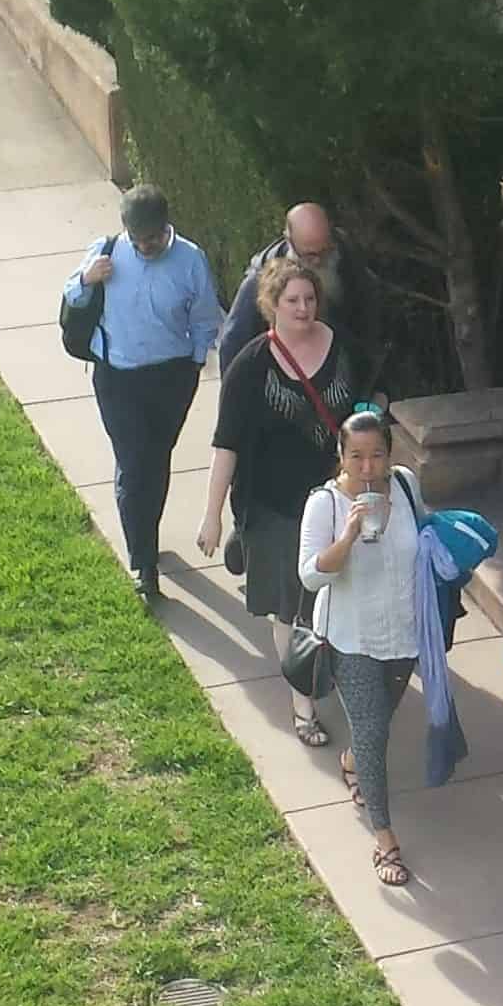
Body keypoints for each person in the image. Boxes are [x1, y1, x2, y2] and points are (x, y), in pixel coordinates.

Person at [195, 255, 350, 724]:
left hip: (335, 500)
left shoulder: (342, 348)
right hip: (273, 507)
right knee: (290, 610)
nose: (303, 308)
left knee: (334, 598)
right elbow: (226, 444)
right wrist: (211, 514)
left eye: (310, 299)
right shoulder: (251, 366)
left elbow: (364, 407)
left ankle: (338, 676)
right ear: (272, 305)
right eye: (292, 300)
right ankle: (302, 703)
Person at [64, 185, 224, 608]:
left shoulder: (190, 260)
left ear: (166, 226)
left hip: (171, 378)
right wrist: (87, 278)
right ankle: (144, 564)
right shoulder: (107, 251)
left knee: (155, 461)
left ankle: (145, 533)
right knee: (135, 466)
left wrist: (194, 364)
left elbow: (205, 318)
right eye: (137, 239)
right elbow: (71, 296)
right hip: (117, 378)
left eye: (151, 238)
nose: (144, 246)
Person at [300, 407, 427, 888]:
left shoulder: (406, 486)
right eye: (357, 456)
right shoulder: (325, 505)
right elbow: (310, 575)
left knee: (378, 722)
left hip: (404, 635)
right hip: (351, 639)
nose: (368, 467)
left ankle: (352, 762)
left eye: (377, 455)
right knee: (373, 732)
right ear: (341, 456)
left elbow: (424, 537)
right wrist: (349, 537)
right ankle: (385, 837)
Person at [218, 202, 343, 376]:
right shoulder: (259, 282)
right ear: (290, 242)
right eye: (310, 255)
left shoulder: (346, 263)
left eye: (325, 252)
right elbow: (232, 346)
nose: (319, 261)